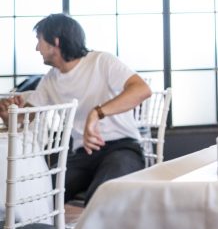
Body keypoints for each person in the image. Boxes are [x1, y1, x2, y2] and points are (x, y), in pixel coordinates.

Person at [0, 13, 152, 203]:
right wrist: (8, 115)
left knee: (102, 196)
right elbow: (29, 116)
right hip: (81, 155)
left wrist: (96, 113)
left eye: (39, 40)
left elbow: (142, 90)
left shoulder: (101, 61)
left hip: (122, 147)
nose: (37, 48)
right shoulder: (50, 79)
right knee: (39, 196)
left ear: (55, 41)